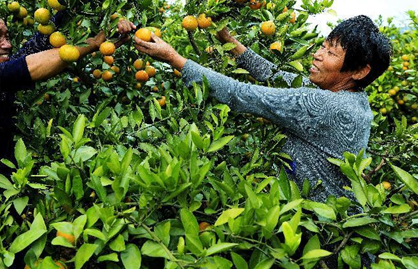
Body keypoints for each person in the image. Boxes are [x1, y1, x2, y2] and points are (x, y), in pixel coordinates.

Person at [0, 7, 135, 268]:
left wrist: (79, 7)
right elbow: (26, 68)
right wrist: (94, 44)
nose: (7, 44)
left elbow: (40, 45)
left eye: (7, 35)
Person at [135, 15, 391, 203]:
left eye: (331, 53)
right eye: (322, 46)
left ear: (359, 71)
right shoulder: (348, 96)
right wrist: (227, 39)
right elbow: (273, 74)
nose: (317, 55)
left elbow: (241, 95)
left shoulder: (329, 106)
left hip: (323, 234)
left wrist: (174, 58)